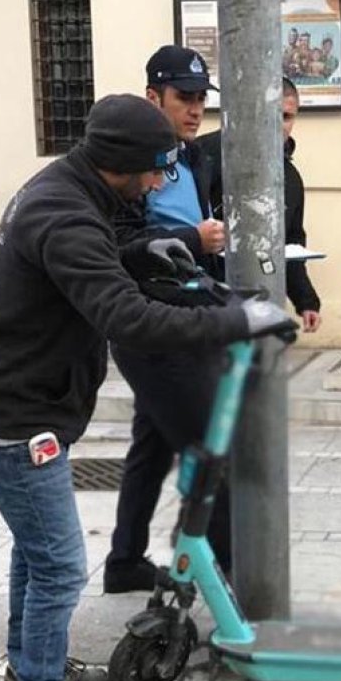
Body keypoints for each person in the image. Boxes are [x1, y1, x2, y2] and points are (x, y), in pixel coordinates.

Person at [0, 93, 294, 681]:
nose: (161, 180)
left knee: (36, 555)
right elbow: (126, 317)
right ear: (122, 163)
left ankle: (33, 669)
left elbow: (92, 263)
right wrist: (234, 320)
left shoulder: (67, 188)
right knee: (58, 567)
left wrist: (140, 252)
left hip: (15, 408)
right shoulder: (67, 213)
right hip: (18, 422)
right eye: (156, 169)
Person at [103, 45, 232, 594]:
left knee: (151, 444)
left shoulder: (195, 157)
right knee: (210, 450)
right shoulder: (130, 164)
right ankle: (235, 585)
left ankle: (124, 561)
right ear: (154, 97)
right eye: (185, 97)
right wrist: (191, 238)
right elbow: (122, 245)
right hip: (151, 323)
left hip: (188, 309)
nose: (196, 108)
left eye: (202, 98)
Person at [198, 76, 322, 332]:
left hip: (258, 307)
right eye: (271, 114)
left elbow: (291, 244)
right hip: (201, 306)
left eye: (287, 117)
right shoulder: (203, 155)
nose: (279, 125)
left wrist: (306, 301)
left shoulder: (290, 179)